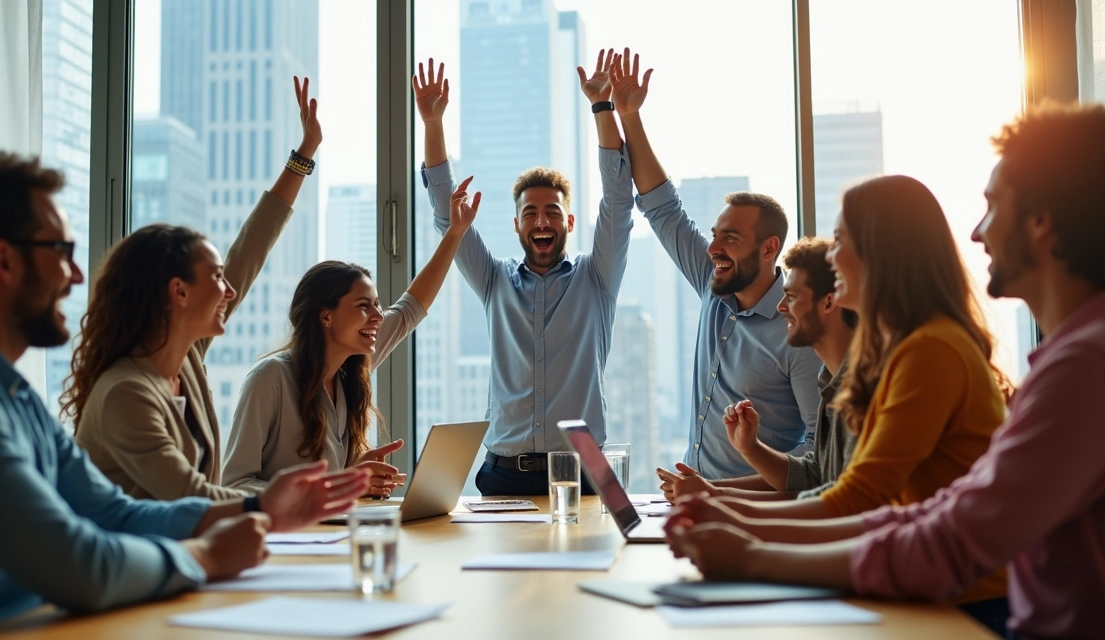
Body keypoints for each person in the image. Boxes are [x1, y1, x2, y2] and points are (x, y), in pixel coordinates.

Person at [668, 103, 1105, 639]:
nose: (976, 232)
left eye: (993, 207)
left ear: (1041, 224)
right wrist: (739, 528)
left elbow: (945, 536)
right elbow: (931, 514)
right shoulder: (1087, 356)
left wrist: (753, 552)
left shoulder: (1091, 369)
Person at [0, 153, 371, 638]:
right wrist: (204, 555)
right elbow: (81, 561)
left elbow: (111, 511)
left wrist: (258, 508)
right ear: (4, 260)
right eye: (61, 251)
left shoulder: (9, 390)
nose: (76, 276)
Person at [66, 77, 321, 500]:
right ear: (178, 292)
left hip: (189, 553)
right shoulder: (126, 391)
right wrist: (315, 493)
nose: (230, 291)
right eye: (216, 279)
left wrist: (305, 155)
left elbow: (249, 251)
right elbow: (194, 497)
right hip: (136, 561)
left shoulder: (183, 360)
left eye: (224, 279)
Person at [414, 52, 634, 495]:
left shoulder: (597, 278)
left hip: (585, 470)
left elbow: (618, 200)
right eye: (529, 213)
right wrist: (433, 124)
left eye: (552, 212)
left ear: (569, 223)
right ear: (516, 225)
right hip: (502, 471)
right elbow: (446, 216)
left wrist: (602, 107)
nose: (541, 222)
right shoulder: (495, 280)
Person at [609, 50, 822, 481]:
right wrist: (628, 115)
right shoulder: (715, 285)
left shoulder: (800, 332)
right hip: (697, 504)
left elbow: (819, 452)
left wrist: (726, 491)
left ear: (769, 249)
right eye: (715, 234)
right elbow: (663, 209)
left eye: (731, 238)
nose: (713, 248)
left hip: (753, 517)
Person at [222, 178, 480, 494]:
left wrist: (455, 234)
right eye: (363, 306)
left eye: (377, 305)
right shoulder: (270, 378)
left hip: (334, 532)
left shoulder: (351, 368)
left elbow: (412, 307)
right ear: (325, 316)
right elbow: (234, 484)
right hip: (289, 539)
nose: (377, 316)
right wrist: (340, 484)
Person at [660, 238, 858, 503]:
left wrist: (722, 503)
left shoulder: (862, 392)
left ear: (829, 303)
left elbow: (844, 505)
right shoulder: (829, 383)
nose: (780, 306)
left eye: (792, 297)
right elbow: (814, 474)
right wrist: (750, 449)